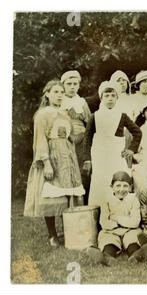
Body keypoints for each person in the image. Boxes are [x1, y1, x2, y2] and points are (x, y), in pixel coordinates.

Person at [24, 80, 85, 247]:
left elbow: (71, 137)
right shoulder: (42, 115)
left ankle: (68, 232)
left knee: (67, 197)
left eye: (61, 93)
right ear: (48, 94)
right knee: (51, 197)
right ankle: (52, 235)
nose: (59, 95)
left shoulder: (65, 114)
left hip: (67, 157)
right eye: (56, 92)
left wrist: (82, 134)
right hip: (52, 157)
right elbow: (40, 140)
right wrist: (47, 163)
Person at [83, 81, 142, 207]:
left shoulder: (122, 116)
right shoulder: (95, 117)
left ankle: (120, 210)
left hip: (116, 156)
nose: (110, 99)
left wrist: (131, 149)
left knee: (118, 181)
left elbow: (137, 132)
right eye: (106, 96)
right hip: (100, 156)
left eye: (113, 96)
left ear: (117, 98)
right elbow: (87, 139)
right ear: (101, 98)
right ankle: (99, 214)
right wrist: (87, 159)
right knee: (100, 183)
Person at [86, 171, 147, 265]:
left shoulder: (133, 199)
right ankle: (106, 257)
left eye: (125, 186)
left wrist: (117, 219)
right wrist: (123, 222)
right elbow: (104, 222)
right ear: (112, 187)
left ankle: (136, 255)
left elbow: (135, 222)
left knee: (132, 239)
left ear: (130, 187)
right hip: (111, 231)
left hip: (130, 230)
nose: (121, 189)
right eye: (118, 186)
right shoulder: (106, 199)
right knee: (108, 240)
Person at [60, 70, 92, 203]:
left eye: (75, 84)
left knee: (83, 173)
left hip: (82, 141)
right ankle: (68, 209)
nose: (72, 87)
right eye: (69, 84)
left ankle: (84, 207)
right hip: (63, 140)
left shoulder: (82, 102)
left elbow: (90, 122)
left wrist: (83, 135)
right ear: (63, 85)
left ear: (79, 86)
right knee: (66, 173)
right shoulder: (59, 100)